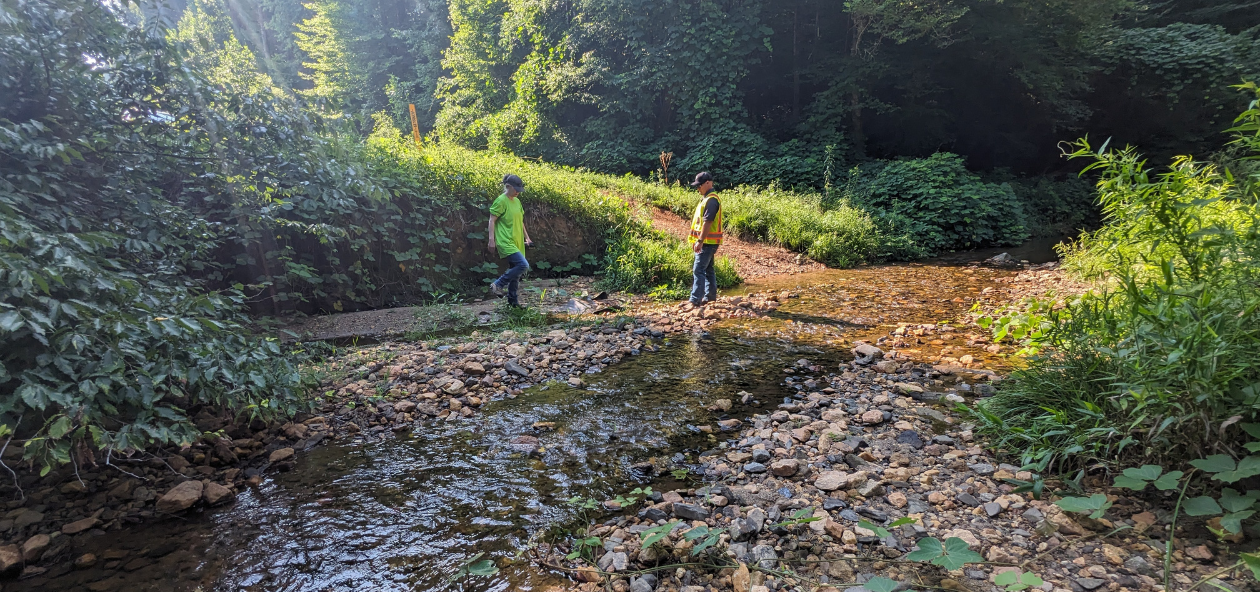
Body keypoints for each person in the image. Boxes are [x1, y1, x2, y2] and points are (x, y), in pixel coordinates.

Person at [487, 174, 533, 307]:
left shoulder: (517, 201)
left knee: (516, 272)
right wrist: (491, 240)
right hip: (505, 240)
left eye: (519, 189)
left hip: (517, 241)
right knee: (523, 265)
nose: (518, 192)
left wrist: (527, 237)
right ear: (508, 187)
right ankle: (498, 284)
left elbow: (521, 221)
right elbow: (492, 220)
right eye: (516, 189)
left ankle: (513, 303)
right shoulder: (501, 200)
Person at [686, 171, 723, 307]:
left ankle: (695, 300)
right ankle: (710, 298)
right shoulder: (707, 199)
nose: (698, 188)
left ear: (708, 183)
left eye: (699, 185)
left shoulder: (712, 200)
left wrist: (700, 241)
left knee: (698, 269)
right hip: (708, 242)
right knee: (708, 269)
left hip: (707, 242)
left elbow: (708, 222)